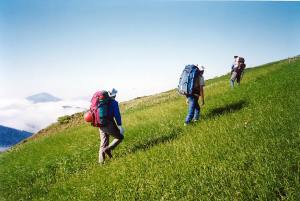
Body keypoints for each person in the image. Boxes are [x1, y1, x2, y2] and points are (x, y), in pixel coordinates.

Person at [98, 88, 124, 164]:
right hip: (109, 123)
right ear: (114, 95)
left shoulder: (101, 103)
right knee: (120, 137)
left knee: (103, 142)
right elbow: (117, 115)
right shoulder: (114, 103)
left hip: (100, 123)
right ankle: (108, 149)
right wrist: (119, 125)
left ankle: (101, 162)